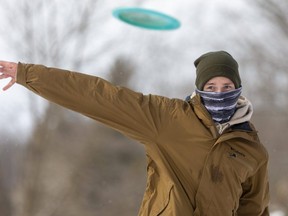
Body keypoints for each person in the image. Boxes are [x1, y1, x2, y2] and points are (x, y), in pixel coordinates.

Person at [0, 51, 270, 216]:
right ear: (199, 89)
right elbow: (99, 97)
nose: (220, 93)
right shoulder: (167, 119)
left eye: (227, 86)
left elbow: (254, 210)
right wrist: (29, 75)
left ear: (239, 88)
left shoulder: (250, 148)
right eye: (211, 87)